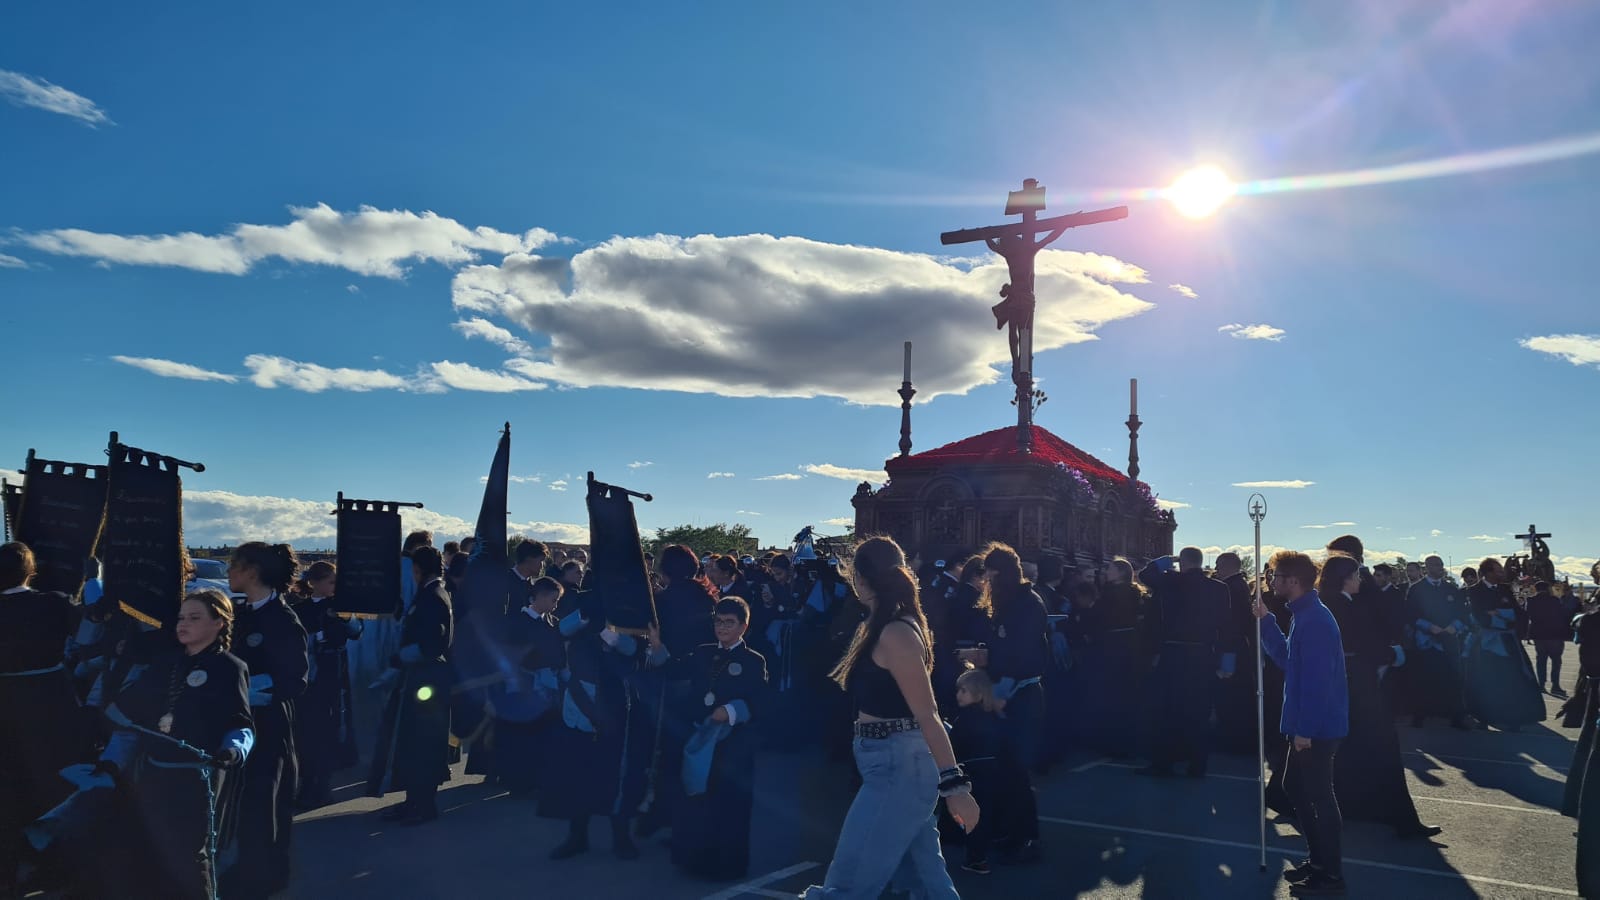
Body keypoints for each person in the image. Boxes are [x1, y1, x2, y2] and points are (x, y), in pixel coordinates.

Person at [802, 536, 976, 900]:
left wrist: (955, 786)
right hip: (894, 760)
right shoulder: (892, 623)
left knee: (848, 882)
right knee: (926, 881)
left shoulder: (896, 631)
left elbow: (927, 713)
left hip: (900, 764)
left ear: (861, 578)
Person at [101, 590, 255, 898]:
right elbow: (128, 710)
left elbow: (241, 723)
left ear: (219, 624)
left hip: (198, 776)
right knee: (152, 852)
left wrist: (233, 749)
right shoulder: (165, 664)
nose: (184, 624)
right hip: (155, 774)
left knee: (189, 856)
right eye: (182, 617)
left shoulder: (230, 667)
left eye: (195, 618)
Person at [1318, 554, 1439, 839]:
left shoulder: (1345, 603)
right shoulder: (1335, 606)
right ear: (1344, 579)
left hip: (1356, 682)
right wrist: (1389, 654)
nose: (1362, 580)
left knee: (1353, 750)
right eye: (1357, 575)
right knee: (1379, 748)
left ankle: (1362, 809)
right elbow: (1358, 643)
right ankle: (1398, 818)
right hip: (1354, 684)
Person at [1255, 550, 1348, 896]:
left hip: (1316, 729)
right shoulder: (1302, 615)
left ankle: (1330, 874)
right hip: (1306, 724)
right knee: (1296, 789)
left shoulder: (1316, 621)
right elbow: (1287, 660)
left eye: (1275, 576)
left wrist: (1306, 730)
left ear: (1292, 580)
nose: (1270, 581)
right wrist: (1266, 620)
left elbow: (1318, 683)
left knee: (1319, 797)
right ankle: (1319, 861)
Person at [220, 542, 309, 900]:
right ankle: (252, 866)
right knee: (245, 799)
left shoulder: (283, 620)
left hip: (268, 722)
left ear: (252, 572)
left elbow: (297, 679)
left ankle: (261, 875)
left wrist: (253, 687)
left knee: (264, 799)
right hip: (241, 718)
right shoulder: (240, 614)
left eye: (234, 566)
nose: (228, 573)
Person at [0, 541, 88, 896]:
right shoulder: (54, 602)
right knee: (53, 779)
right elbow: (90, 631)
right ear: (31, 571)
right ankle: (53, 866)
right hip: (50, 703)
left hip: (4, 704)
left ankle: (8, 869)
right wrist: (92, 582)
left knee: (8, 783)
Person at [542, 594, 651, 861]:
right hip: (580, 699)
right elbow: (560, 631)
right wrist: (585, 617)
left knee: (617, 774)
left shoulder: (632, 607)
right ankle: (577, 837)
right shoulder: (586, 601)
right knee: (578, 774)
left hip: (616, 703)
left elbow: (637, 649)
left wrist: (608, 632)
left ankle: (621, 836)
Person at [670, 597, 768, 880]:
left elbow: (761, 700)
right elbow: (676, 669)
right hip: (701, 736)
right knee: (698, 797)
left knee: (729, 803)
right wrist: (656, 647)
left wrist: (732, 710)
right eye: (718, 621)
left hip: (732, 743)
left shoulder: (753, 660)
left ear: (743, 626)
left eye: (729, 622)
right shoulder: (702, 652)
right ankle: (694, 859)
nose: (722, 627)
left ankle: (727, 865)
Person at [366, 546, 453, 824]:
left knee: (423, 743)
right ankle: (412, 800)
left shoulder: (433, 596)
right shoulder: (432, 593)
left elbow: (432, 643)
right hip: (421, 676)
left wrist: (399, 658)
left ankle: (423, 805)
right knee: (413, 742)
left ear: (418, 570)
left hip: (427, 677)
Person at [1138, 547, 1230, 778]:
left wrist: (1165, 560)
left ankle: (1163, 764)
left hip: (1173, 653)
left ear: (1182, 563)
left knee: (1166, 711)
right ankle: (1198, 765)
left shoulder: (1171, 581)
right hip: (1203, 655)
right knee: (1199, 712)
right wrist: (1228, 660)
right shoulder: (1219, 588)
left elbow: (1144, 575)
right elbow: (1227, 627)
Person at [949, 666, 1039, 874]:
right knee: (989, 813)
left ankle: (976, 858)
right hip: (994, 773)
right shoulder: (994, 717)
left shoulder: (965, 719)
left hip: (974, 774)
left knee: (974, 818)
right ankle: (991, 844)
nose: (958, 695)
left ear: (978, 694)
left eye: (964, 691)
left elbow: (955, 746)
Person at [290, 561, 362, 809]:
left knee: (330, 728)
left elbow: (356, 631)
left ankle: (322, 786)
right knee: (308, 730)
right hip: (311, 675)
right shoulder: (301, 609)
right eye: (330, 581)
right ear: (315, 583)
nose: (334, 586)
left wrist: (346, 617)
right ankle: (307, 784)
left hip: (334, 673)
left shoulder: (340, 607)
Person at [491, 576, 566, 796]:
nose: (555, 605)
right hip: (523, 685)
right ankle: (518, 781)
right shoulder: (517, 622)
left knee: (542, 734)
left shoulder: (552, 622)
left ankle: (537, 779)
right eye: (553, 599)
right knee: (521, 736)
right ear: (540, 596)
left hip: (546, 687)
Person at [979, 543, 1050, 774]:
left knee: (1016, 763)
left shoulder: (1027, 603)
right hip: (1007, 684)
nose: (986, 577)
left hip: (1019, 690)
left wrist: (1004, 685)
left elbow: (1023, 649)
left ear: (998, 572)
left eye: (989, 571)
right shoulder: (1008, 600)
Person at [1463, 558, 1545, 731]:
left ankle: (1512, 717)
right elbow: (1479, 615)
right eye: (1498, 570)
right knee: (1483, 680)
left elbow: (1517, 613)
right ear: (1488, 573)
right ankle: (1483, 718)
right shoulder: (1474, 591)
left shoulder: (1504, 589)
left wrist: (1500, 614)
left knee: (1512, 679)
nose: (1501, 573)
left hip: (1509, 642)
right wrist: (1502, 618)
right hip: (1486, 642)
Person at [1403, 556, 1471, 729]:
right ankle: (1420, 714)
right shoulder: (1417, 589)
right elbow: (1410, 614)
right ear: (1426, 567)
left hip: (1448, 638)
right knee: (1423, 678)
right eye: (1435, 565)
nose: (1440, 568)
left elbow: (1462, 612)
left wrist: (1454, 627)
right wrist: (1428, 627)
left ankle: (1456, 715)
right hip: (1426, 640)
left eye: (1441, 565)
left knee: (1453, 677)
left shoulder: (1450, 588)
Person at [1526, 581, 1570, 696]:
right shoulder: (1554, 600)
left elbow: (1528, 616)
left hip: (1539, 635)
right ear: (1548, 589)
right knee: (1556, 660)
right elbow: (1561, 615)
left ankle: (1541, 684)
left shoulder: (1531, 600)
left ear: (1536, 589)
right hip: (1554, 634)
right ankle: (1555, 685)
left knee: (1541, 660)